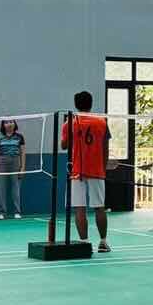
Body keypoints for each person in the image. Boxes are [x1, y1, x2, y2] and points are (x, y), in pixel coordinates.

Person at [62, 92, 111, 253]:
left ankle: (84, 244)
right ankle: (103, 242)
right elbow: (105, 147)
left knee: (80, 208)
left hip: (77, 171)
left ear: (76, 105)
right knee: (99, 207)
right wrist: (103, 168)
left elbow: (63, 145)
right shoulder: (102, 121)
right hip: (97, 170)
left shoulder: (70, 122)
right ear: (91, 104)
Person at [0, 117, 27, 219]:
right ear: (3, 125)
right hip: (2, 162)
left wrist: (22, 168)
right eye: (6, 122)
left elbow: (23, 152)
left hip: (15, 162)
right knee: (0, 188)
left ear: (14, 124)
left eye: (11, 122)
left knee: (16, 188)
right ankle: (1, 212)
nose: (9, 124)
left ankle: (17, 211)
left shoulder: (19, 137)